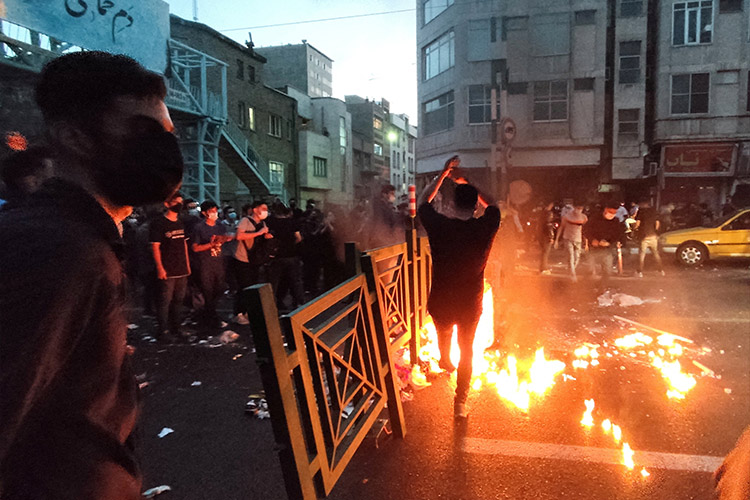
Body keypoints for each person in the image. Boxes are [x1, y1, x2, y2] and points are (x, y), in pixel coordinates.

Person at [0, 51, 183, 499]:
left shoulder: (83, 239)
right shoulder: (60, 251)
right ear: (74, 137)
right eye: (142, 131)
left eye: (167, 135)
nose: (162, 149)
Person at [417, 156, 500, 419]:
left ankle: (443, 358)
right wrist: (468, 180)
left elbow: (423, 202)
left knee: (444, 336)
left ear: (451, 204)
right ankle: (461, 402)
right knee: (467, 349)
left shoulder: (440, 226)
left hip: (441, 301)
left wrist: (443, 175)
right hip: (470, 303)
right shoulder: (484, 227)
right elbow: (495, 203)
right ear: (476, 206)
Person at [150, 192, 191, 341]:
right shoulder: (159, 223)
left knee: (178, 301)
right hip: (167, 269)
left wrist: (187, 265)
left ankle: (176, 328)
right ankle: (163, 331)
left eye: (180, 202)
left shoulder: (180, 222)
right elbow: (155, 247)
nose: (179, 205)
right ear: (167, 204)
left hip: (181, 269)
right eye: (176, 202)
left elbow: (184, 244)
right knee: (164, 302)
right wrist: (160, 267)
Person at [191, 201, 231, 329]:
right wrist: (210, 245)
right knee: (207, 290)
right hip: (205, 263)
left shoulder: (220, 226)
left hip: (218, 261)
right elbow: (195, 248)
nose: (215, 213)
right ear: (204, 213)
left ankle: (208, 314)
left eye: (215, 210)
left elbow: (224, 237)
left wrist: (224, 239)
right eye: (211, 211)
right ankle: (210, 318)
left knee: (219, 288)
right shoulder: (199, 228)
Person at [232, 201, 273, 324]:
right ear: (255, 210)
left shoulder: (263, 223)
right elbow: (238, 236)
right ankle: (238, 313)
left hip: (255, 259)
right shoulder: (245, 221)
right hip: (242, 258)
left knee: (252, 286)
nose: (265, 211)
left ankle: (247, 312)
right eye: (263, 208)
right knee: (244, 286)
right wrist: (259, 233)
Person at [267, 204, 305, 312]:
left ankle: (270, 305)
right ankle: (299, 302)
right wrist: (291, 244)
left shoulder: (270, 222)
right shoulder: (292, 222)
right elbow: (298, 238)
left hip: (276, 256)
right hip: (292, 255)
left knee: (274, 282)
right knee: (295, 281)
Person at [583, 202, 626, 283]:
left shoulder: (615, 221)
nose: (612, 214)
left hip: (607, 250)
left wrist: (610, 243)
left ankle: (603, 288)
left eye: (615, 213)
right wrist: (592, 240)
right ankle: (586, 288)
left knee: (607, 272)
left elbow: (618, 235)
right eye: (611, 212)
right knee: (590, 271)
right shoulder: (594, 219)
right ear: (606, 210)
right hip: (593, 250)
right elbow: (586, 230)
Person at [555, 200, 588, 282]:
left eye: (581, 208)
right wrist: (556, 240)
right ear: (574, 207)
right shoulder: (567, 216)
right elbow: (561, 227)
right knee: (571, 256)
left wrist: (586, 242)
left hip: (578, 239)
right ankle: (573, 275)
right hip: (567, 238)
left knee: (577, 258)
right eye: (577, 208)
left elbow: (585, 231)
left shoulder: (584, 217)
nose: (579, 210)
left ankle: (571, 271)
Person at [634, 199, 665, 277]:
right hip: (653, 236)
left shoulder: (641, 211)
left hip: (644, 236)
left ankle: (639, 272)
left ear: (643, 204)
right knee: (655, 253)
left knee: (642, 254)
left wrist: (634, 229)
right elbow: (657, 223)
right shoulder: (654, 211)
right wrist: (656, 232)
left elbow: (637, 223)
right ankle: (661, 271)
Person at [538, 201, 556, 275]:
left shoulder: (541, 214)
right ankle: (544, 268)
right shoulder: (548, 214)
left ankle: (542, 267)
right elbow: (548, 226)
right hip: (546, 237)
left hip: (541, 236)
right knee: (546, 253)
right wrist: (551, 237)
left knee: (543, 253)